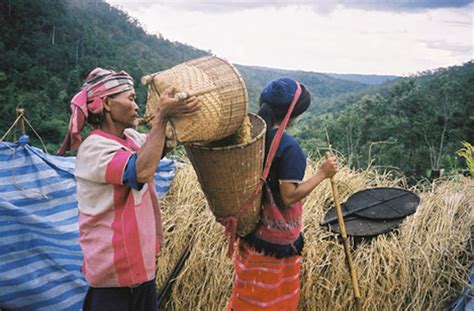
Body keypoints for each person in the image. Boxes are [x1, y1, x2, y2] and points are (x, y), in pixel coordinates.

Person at [57, 67, 199, 311]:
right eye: (131, 99)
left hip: (140, 272)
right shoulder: (93, 148)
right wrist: (161, 117)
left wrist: (176, 115)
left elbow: (156, 148)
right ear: (108, 104)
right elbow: (141, 172)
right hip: (113, 278)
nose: (136, 106)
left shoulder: (131, 137)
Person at [228, 77, 338, 310]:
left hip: (251, 229)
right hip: (275, 240)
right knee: (273, 298)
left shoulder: (252, 137)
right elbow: (289, 196)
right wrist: (322, 174)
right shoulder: (289, 147)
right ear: (294, 114)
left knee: (249, 290)